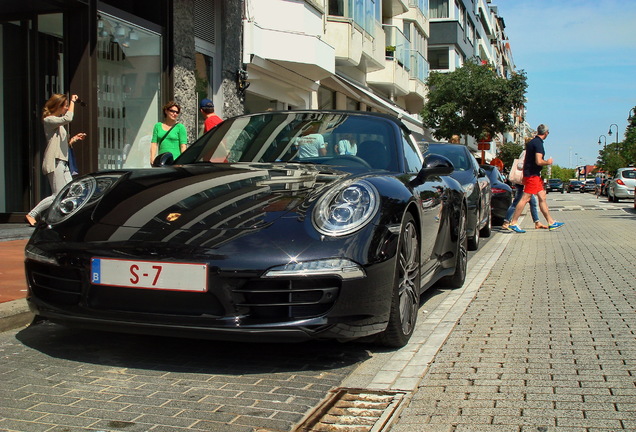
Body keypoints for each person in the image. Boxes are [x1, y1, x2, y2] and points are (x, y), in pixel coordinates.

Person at [25, 94, 87, 226]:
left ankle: (64, 217)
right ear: (58, 106)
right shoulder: (49, 120)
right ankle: (32, 214)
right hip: (55, 161)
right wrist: (72, 102)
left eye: (67, 106)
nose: (66, 109)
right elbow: (69, 118)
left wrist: (74, 139)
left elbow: (61, 143)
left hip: (62, 161)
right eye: (64, 106)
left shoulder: (58, 123)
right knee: (57, 194)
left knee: (71, 191)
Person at [507, 124, 564, 233]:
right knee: (525, 198)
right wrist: (548, 162)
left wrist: (524, 175)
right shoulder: (538, 144)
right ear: (546, 133)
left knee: (542, 197)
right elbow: (538, 161)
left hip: (532, 175)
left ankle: (551, 222)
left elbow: (526, 161)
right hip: (533, 175)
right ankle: (513, 222)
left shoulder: (531, 143)